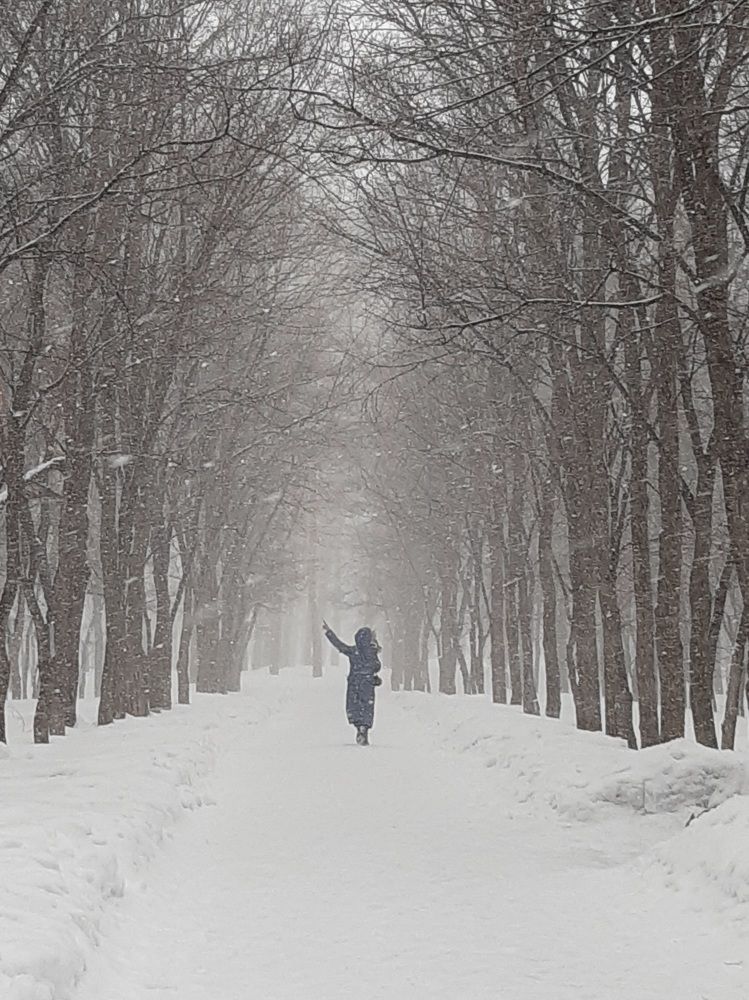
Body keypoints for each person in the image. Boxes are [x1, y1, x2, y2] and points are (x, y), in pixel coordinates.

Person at [323, 620, 382, 745]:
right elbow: (376, 667)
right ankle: (364, 729)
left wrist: (329, 633)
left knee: (355, 707)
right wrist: (374, 677)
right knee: (366, 707)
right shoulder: (372, 653)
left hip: (354, 683)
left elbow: (340, 646)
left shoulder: (354, 652)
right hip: (367, 684)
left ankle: (358, 727)